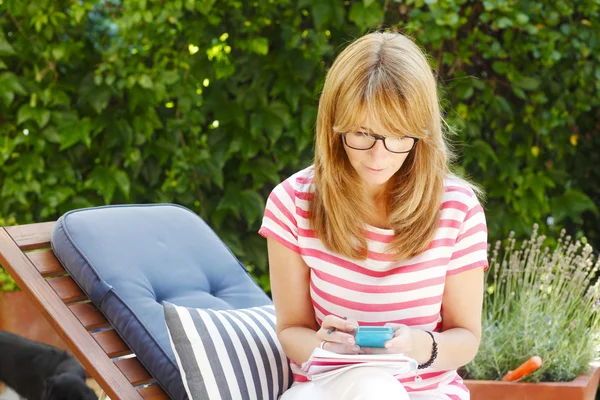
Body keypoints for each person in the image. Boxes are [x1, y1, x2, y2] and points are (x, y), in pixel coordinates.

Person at [258, 30, 488, 400]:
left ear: (422, 133)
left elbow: (466, 338)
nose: (378, 156)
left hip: (426, 390)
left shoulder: (458, 208)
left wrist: (416, 345)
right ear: (334, 127)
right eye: (362, 133)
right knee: (368, 387)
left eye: (398, 135)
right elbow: (290, 330)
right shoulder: (292, 202)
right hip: (328, 388)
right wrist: (326, 345)